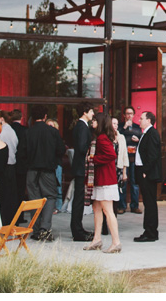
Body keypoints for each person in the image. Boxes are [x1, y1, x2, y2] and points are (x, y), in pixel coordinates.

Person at [83, 112, 122, 253]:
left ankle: (116, 242)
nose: (92, 122)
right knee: (97, 209)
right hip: (101, 179)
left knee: (107, 211)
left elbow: (111, 155)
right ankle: (97, 239)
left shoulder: (102, 138)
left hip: (105, 179)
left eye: (94, 120)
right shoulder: (102, 137)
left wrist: (93, 159)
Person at [26, 106, 65, 242]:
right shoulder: (52, 132)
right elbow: (61, 150)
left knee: (34, 199)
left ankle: (36, 230)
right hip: (48, 170)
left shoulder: (28, 132)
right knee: (49, 197)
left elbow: (22, 153)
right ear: (45, 116)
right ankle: (44, 228)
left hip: (32, 170)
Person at [133, 111, 161, 242]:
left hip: (147, 174)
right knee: (148, 202)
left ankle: (150, 232)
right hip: (144, 172)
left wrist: (145, 171)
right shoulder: (146, 134)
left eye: (141, 118)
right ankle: (150, 231)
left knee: (150, 203)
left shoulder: (152, 133)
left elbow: (153, 154)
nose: (139, 120)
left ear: (149, 120)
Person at [71, 103, 96, 242]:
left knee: (79, 199)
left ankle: (78, 229)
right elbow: (81, 147)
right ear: (85, 112)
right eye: (91, 111)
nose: (93, 114)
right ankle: (77, 231)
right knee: (79, 200)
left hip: (80, 167)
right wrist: (88, 151)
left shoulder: (81, 126)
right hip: (81, 167)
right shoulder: (82, 126)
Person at [0, 109, 19, 224]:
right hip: (12, 164)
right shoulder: (11, 131)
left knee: (4, 195)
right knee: (10, 194)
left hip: (5, 165)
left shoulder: (3, 132)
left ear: (2, 119)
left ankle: (4, 221)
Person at [117, 106, 141, 215]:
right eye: (127, 113)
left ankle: (134, 206)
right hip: (122, 158)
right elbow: (116, 137)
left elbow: (142, 140)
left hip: (134, 158)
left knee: (134, 182)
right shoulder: (120, 126)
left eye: (131, 113)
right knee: (123, 182)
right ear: (124, 115)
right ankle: (122, 206)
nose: (129, 115)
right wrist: (124, 127)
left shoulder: (137, 127)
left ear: (134, 114)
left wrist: (138, 140)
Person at [8, 109, 29, 223]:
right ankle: (19, 216)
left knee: (11, 191)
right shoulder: (24, 130)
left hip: (10, 164)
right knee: (20, 191)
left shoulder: (8, 129)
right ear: (21, 118)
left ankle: (11, 215)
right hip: (21, 165)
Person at [111, 116, 129, 216]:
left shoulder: (121, 137)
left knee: (118, 190)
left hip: (118, 167)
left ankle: (117, 210)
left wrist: (124, 172)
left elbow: (124, 155)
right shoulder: (107, 137)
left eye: (117, 124)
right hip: (109, 168)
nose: (115, 126)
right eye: (113, 123)